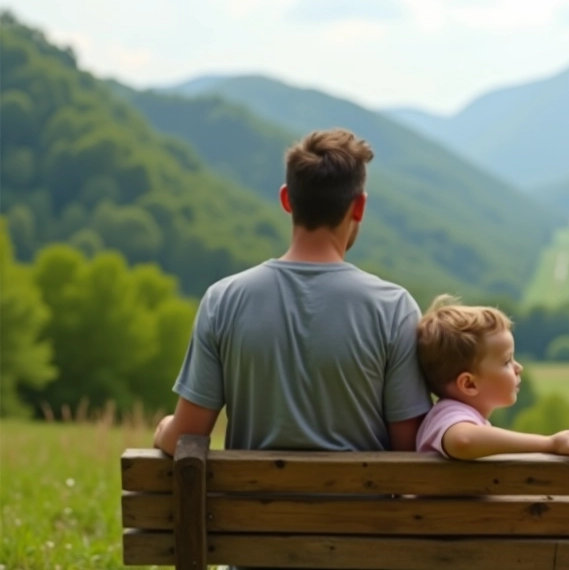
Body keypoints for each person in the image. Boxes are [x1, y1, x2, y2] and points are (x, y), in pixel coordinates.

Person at [152, 128, 433, 457]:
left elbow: (185, 437)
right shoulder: (394, 308)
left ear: (286, 199)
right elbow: (410, 451)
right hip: (361, 509)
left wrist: (162, 429)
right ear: (359, 207)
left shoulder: (223, 301)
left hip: (250, 509)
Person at [414, 294, 569, 461]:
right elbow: (462, 441)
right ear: (469, 383)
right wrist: (549, 443)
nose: (519, 367)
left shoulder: (464, 417)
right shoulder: (449, 415)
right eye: (507, 361)